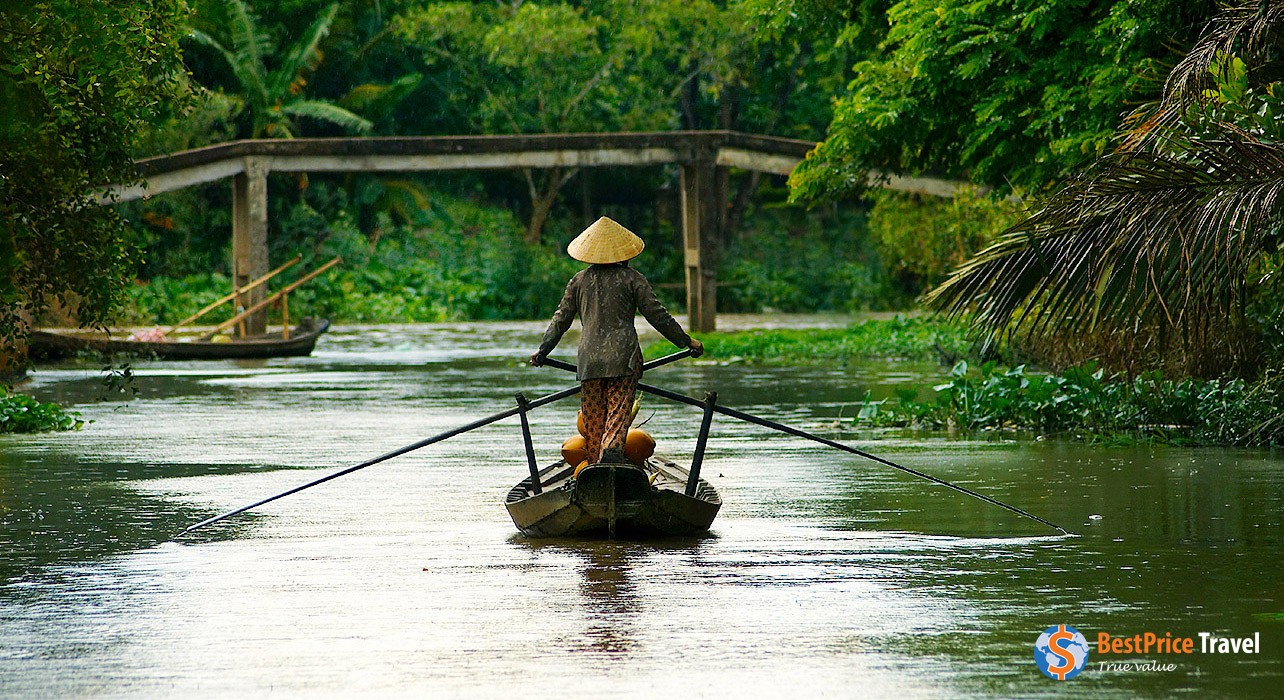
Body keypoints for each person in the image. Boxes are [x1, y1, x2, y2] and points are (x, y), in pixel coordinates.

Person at [530, 216, 703, 464]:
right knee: (617, 415)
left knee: (593, 423)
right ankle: (611, 455)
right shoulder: (632, 279)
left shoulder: (578, 281)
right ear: (625, 254)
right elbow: (658, 316)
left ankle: (594, 468)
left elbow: (561, 319)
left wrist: (543, 350)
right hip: (624, 359)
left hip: (589, 361)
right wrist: (686, 342)